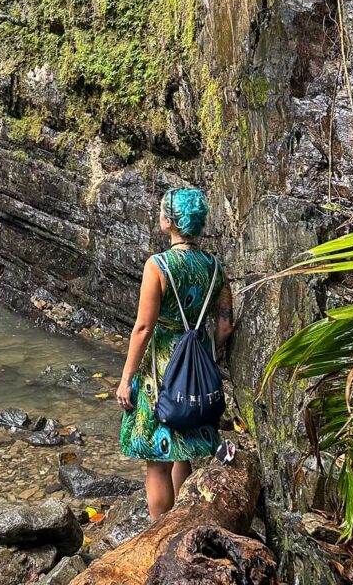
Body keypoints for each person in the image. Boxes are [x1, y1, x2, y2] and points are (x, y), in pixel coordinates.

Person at [116, 187, 234, 519]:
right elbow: (225, 326)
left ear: (169, 221)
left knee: (157, 458)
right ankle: (186, 521)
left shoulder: (158, 266)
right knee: (184, 449)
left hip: (161, 368)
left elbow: (143, 328)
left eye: (161, 211)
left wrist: (126, 380)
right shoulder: (215, 266)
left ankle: (158, 531)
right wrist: (203, 355)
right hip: (197, 362)